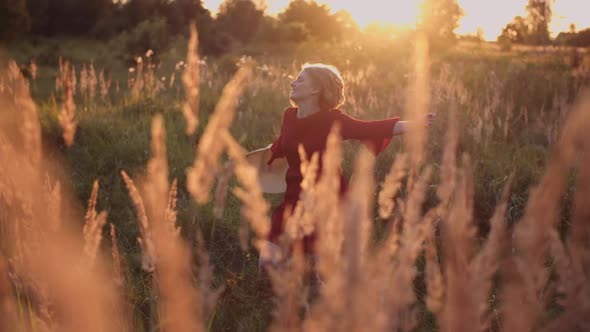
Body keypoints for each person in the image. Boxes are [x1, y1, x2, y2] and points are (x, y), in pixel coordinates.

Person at [254, 63, 435, 267]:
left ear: (315, 89)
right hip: (293, 199)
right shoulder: (289, 116)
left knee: (317, 273)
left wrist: (415, 124)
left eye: (300, 79)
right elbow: (281, 144)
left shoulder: (333, 120)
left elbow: (370, 129)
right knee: (267, 265)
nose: (292, 82)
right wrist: (252, 160)